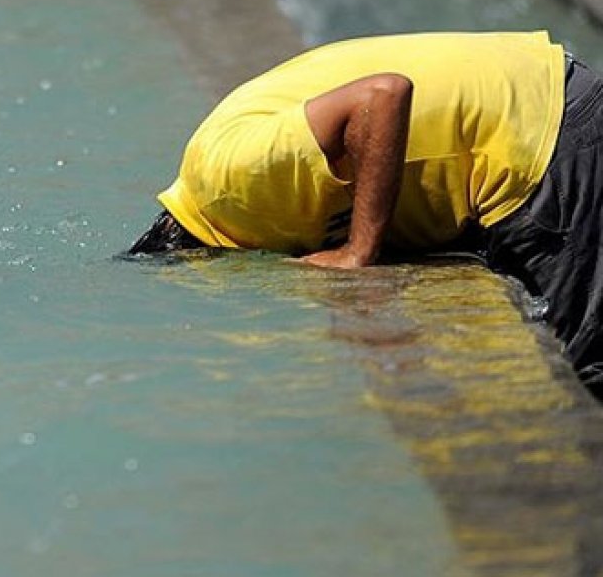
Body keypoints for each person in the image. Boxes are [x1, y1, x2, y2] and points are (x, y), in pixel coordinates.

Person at [129, 31, 603, 393]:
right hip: (530, 95)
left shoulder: (227, 183)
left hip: (538, 132)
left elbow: (383, 95)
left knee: (578, 370)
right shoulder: (225, 185)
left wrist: (359, 250)